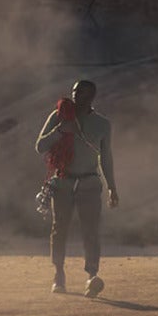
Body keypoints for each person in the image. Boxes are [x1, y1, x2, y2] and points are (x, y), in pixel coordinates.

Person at [34, 80, 119, 296]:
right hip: (63, 181)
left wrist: (112, 187)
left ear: (91, 97)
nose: (76, 97)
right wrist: (60, 130)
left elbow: (106, 157)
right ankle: (58, 275)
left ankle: (92, 275)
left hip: (89, 182)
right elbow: (40, 146)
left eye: (82, 93)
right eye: (74, 92)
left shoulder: (102, 124)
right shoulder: (59, 117)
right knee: (59, 228)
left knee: (91, 230)